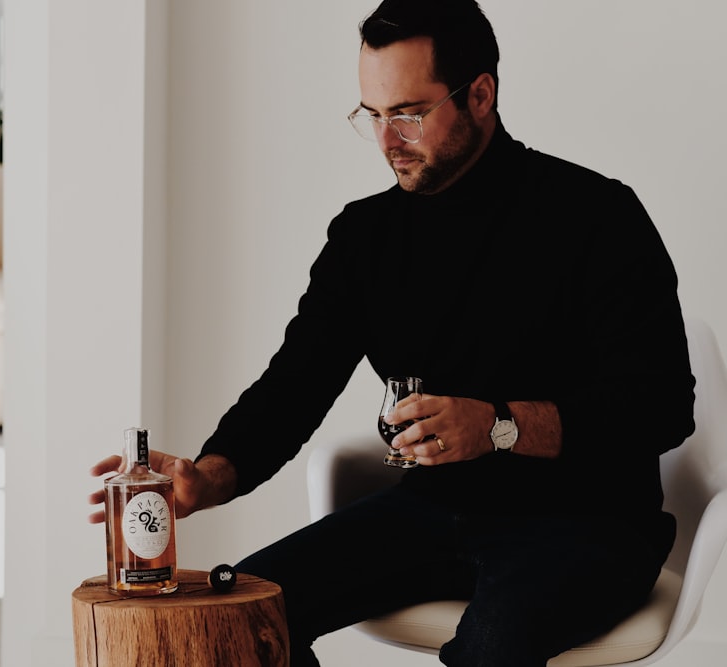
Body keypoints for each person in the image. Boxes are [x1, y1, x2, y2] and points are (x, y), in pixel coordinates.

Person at [89, 1, 696, 664]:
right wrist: (207, 477)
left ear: (481, 95)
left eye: (407, 113)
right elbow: (296, 383)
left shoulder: (597, 216)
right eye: (372, 115)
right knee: (242, 619)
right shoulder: (365, 238)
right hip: (432, 512)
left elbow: (662, 407)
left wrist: (499, 424)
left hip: (591, 522)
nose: (386, 141)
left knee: (492, 645)